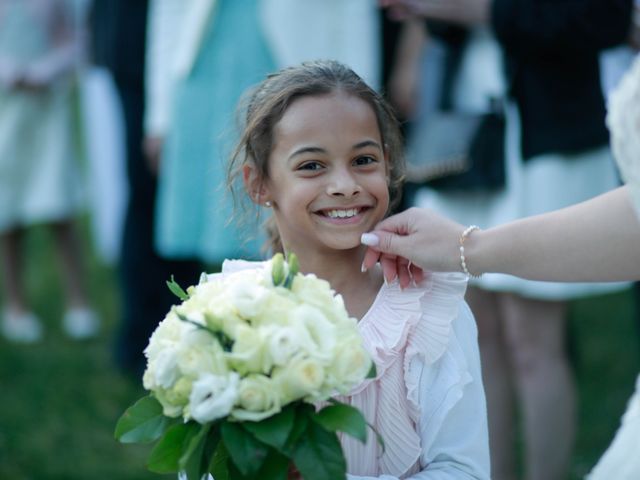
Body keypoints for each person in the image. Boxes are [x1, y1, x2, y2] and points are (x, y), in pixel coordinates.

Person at [379, 2, 633, 479]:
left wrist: (467, 9)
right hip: (465, 128)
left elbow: (601, 20)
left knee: (532, 339)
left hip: (544, 133)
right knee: (477, 333)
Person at [223, 60, 490, 478]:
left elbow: (463, 469)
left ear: (387, 163)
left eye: (363, 160)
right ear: (259, 184)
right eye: (312, 166)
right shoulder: (229, 312)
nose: (345, 184)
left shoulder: (431, 316)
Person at [0, 0, 99, 342]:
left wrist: (47, 69)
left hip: (46, 112)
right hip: (5, 114)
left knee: (59, 207)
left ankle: (78, 300)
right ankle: (15, 304)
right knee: (8, 214)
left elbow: (75, 40)